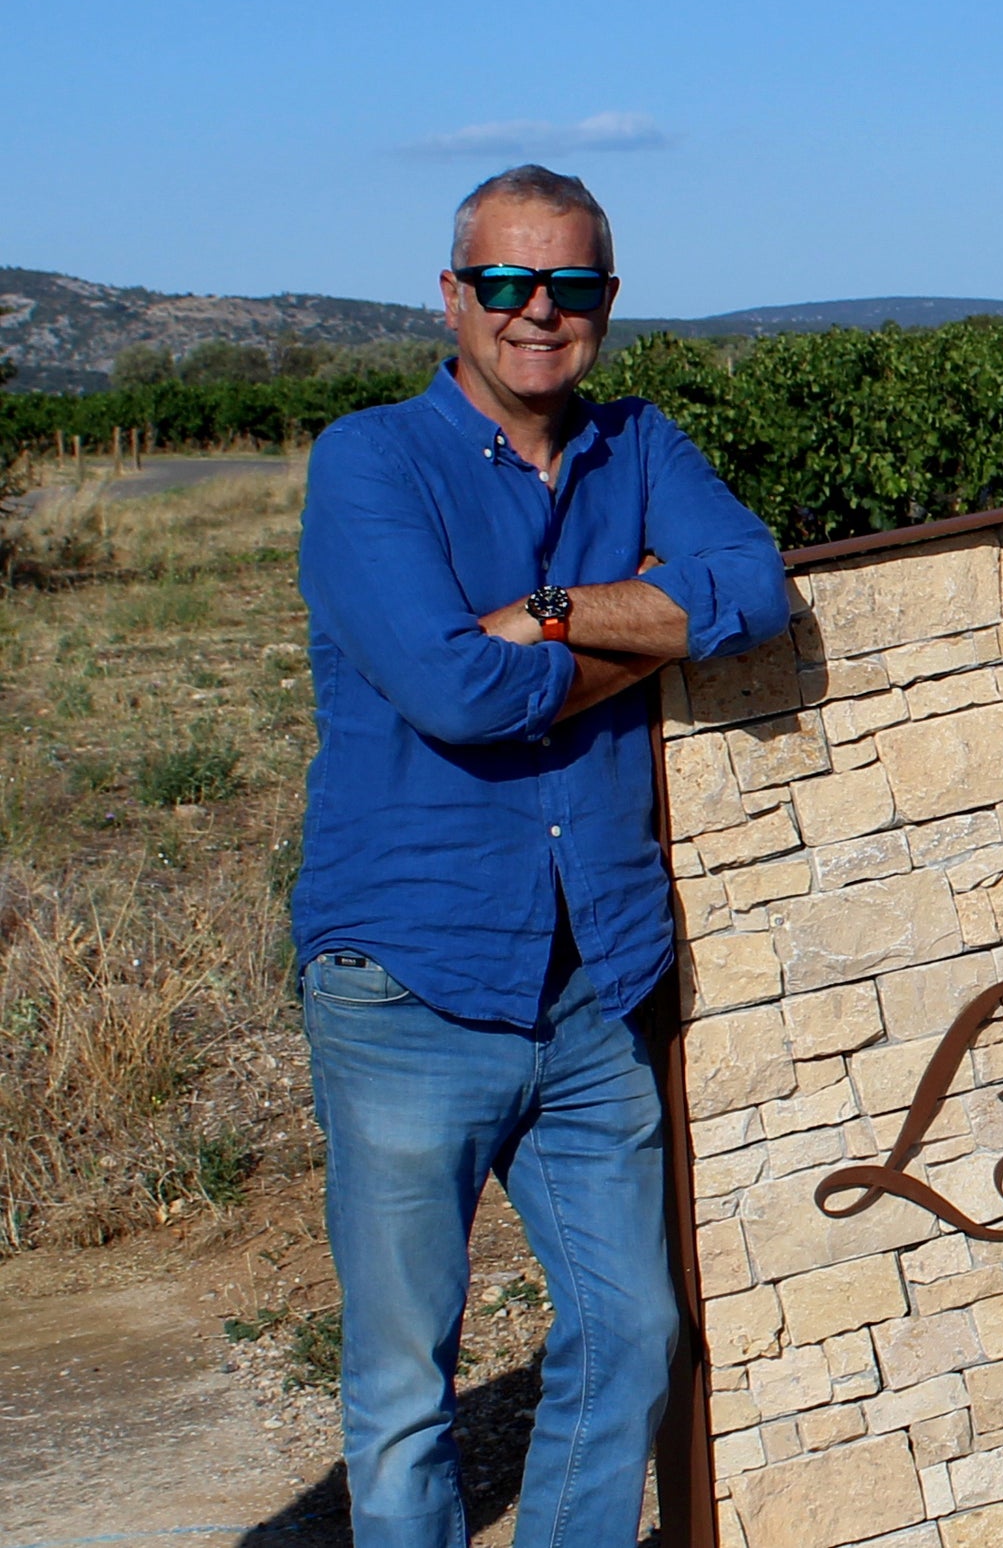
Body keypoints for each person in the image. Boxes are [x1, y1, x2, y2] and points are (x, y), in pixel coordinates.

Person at [293, 164, 790, 1546]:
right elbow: (455, 693)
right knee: (405, 1389)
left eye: (567, 287)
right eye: (505, 284)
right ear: (453, 297)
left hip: (592, 984)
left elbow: (751, 587)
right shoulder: (371, 463)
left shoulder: (642, 447)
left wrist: (553, 612)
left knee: (632, 1334)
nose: (536, 314)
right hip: (409, 982)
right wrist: (636, 646)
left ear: (606, 303)